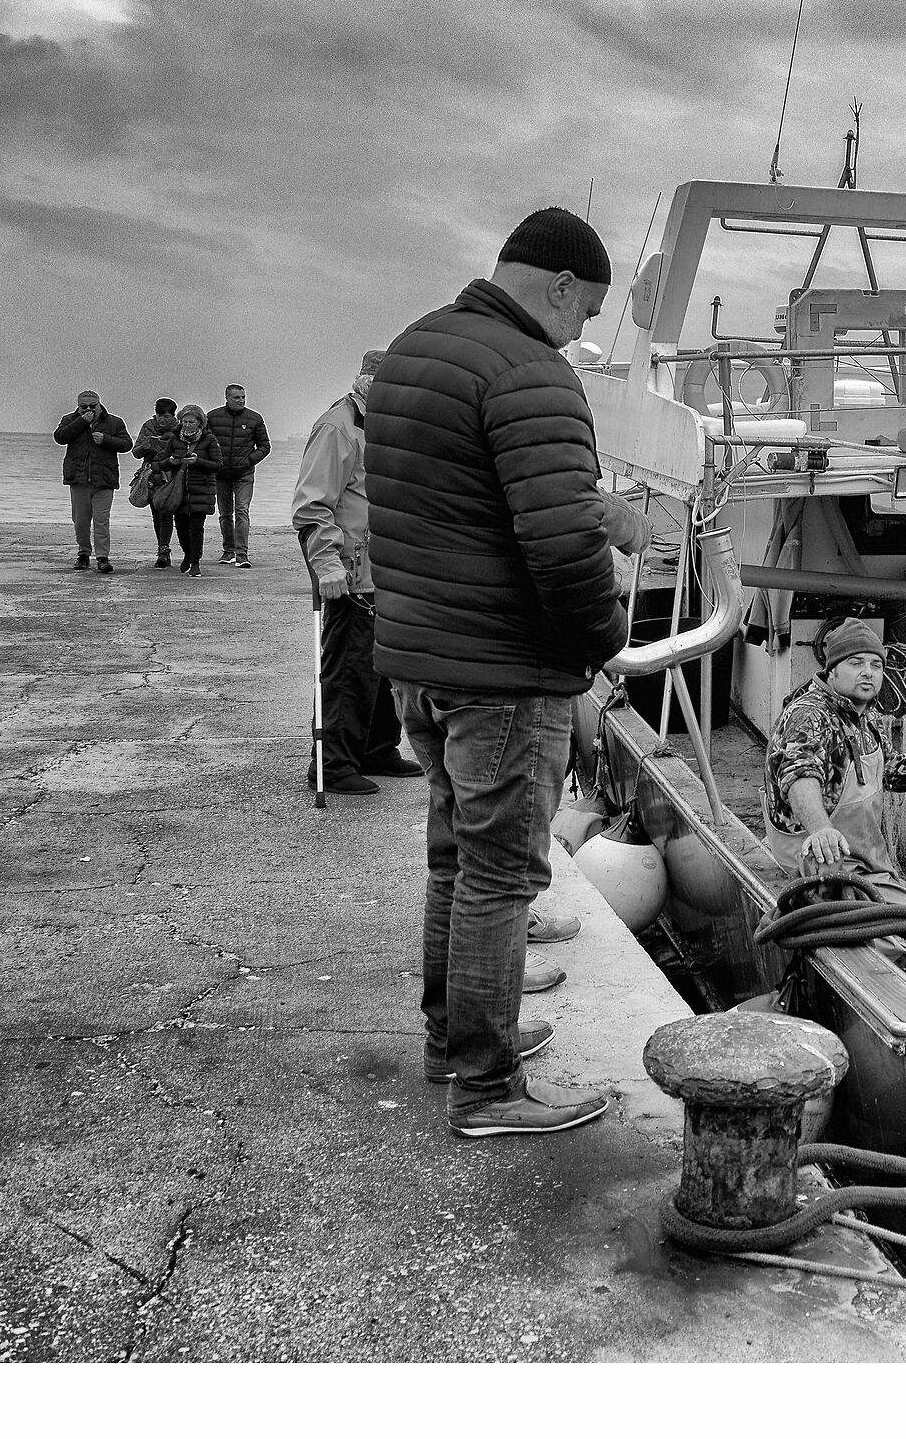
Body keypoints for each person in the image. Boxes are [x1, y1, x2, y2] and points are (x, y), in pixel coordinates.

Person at [367, 206, 649, 1140]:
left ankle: (456, 1038)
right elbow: (562, 551)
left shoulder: (416, 349)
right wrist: (604, 640)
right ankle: (485, 1088)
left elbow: (458, 504)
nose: (585, 332)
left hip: (421, 659)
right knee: (499, 874)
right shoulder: (533, 371)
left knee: (455, 855)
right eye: (588, 311)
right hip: (502, 671)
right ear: (560, 287)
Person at [763, 617, 906, 902]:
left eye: (876, 665)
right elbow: (799, 776)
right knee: (901, 935)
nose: (868, 673)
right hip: (816, 860)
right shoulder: (809, 715)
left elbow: (889, 769)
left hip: (864, 860)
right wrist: (821, 830)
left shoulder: (866, 717)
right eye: (856, 663)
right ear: (832, 670)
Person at [289, 351, 418, 797]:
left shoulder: (381, 426)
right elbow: (311, 507)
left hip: (384, 573)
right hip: (348, 574)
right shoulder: (338, 427)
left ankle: (378, 749)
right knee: (346, 672)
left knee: (382, 670)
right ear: (366, 382)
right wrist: (326, 565)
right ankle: (333, 765)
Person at [53, 390, 130, 572]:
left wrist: (106, 440)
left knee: (101, 520)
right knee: (80, 521)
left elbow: (127, 444)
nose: (88, 409)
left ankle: (102, 557)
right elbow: (60, 437)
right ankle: (83, 554)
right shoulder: (69, 420)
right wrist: (82, 422)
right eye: (84, 406)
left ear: (99, 405)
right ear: (78, 406)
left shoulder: (114, 422)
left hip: (104, 480)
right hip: (78, 479)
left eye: (92, 406)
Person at [210, 383, 272, 568]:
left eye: (243, 397)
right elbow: (205, 442)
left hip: (244, 473)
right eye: (237, 397)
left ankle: (242, 554)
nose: (241, 400)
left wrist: (248, 461)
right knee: (225, 514)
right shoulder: (213, 417)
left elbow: (265, 446)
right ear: (227, 398)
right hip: (220, 473)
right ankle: (228, 550)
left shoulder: (254, 418)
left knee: (242, 511)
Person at [161, 404, 224, 575]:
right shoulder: (175, 439)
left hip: (201, 490)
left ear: (200, 423)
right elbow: (162, 462)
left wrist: (197, 461)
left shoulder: (209, 440)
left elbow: (217, 465)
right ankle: (188, 554)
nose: (187, 425)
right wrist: (171, 462)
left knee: (196, 527)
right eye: (184, 421)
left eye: (191, 422)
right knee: (181, 527)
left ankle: (196, 561)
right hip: (179, 491)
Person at [133, 398, 182, 568]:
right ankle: (163, 548)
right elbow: (136, 453)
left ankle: (164, 549)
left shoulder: (179, 427)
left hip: (171, 475)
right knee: (156, 514)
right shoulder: (148, 426)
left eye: (167, 416)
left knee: (166, 512)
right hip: (152, 475)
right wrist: (146, 446)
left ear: (173, 416)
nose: (163, 420)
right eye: (160, 415)